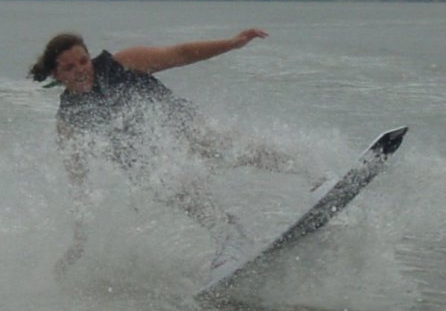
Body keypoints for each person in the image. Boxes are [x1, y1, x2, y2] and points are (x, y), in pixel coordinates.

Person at [29, 28, 299, 278]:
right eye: (69, 67)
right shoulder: (69, 119)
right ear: (57, 75)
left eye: (83, 61)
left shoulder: (121, 62)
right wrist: (79, 241)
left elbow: (180, 54)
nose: (80, 70)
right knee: (166, 183)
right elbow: (78, 182)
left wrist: (232, 44)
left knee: (215, 144)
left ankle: (311, 172)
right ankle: (231, 237)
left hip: (176, 122)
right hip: (145, 158)